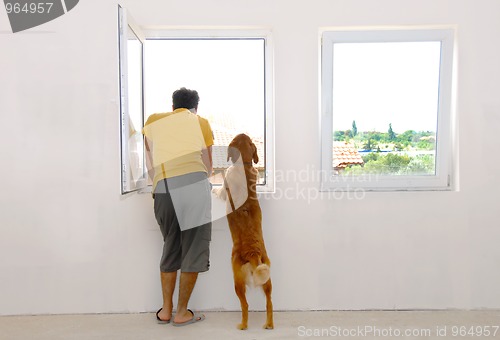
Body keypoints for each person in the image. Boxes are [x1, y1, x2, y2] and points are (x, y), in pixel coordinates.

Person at [142, 87, 214, 326]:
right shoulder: (200, 122)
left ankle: (166, 310)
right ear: (195, 108)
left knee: (171, 244)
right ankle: (182, 313)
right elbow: (208, 165)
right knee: (193, 247)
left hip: (163, 188)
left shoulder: (154, 120)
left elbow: (150, 158)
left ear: (172, 107)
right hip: (193, 184)